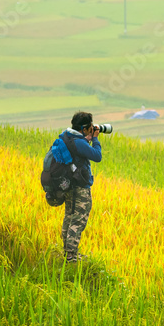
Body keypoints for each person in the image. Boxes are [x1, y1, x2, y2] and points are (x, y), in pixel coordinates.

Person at [50, 111, 103, 263]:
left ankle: (67, 252)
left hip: (69, 185)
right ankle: (71, 255)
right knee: (79, 219)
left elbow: (77, 149)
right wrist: (95, 140)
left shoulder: (66, 135)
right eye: (90, 127)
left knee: (69, 216)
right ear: (85, 128)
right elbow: (97, 156)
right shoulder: (79, 143)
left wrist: (86, 138)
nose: (92, 129)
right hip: (80, 186)